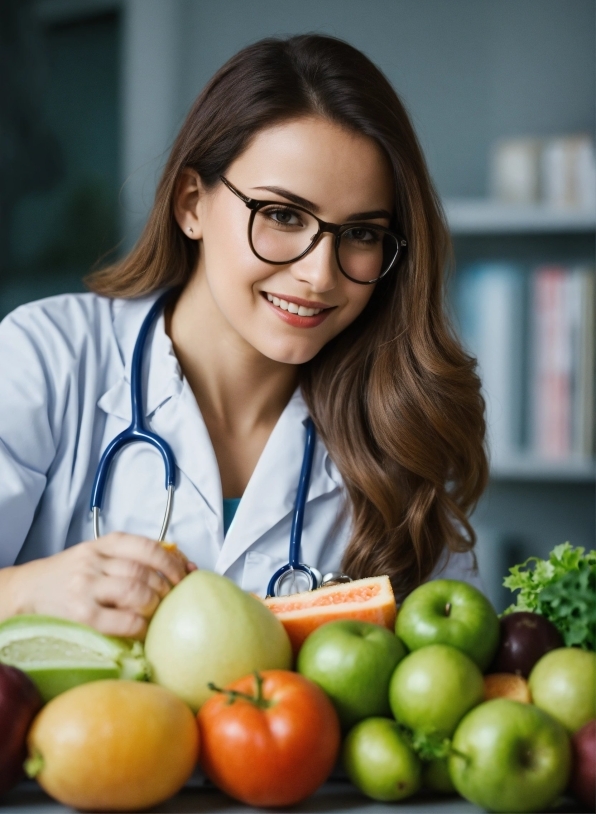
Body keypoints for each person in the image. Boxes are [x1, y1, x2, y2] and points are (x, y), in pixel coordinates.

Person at [0, 34, 488, 639]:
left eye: (361, 234)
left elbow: (446, 674)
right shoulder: (46, 356)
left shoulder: (400, 431)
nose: (319, 275)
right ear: (191, 204)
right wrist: (21, 590)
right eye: (283, 216)